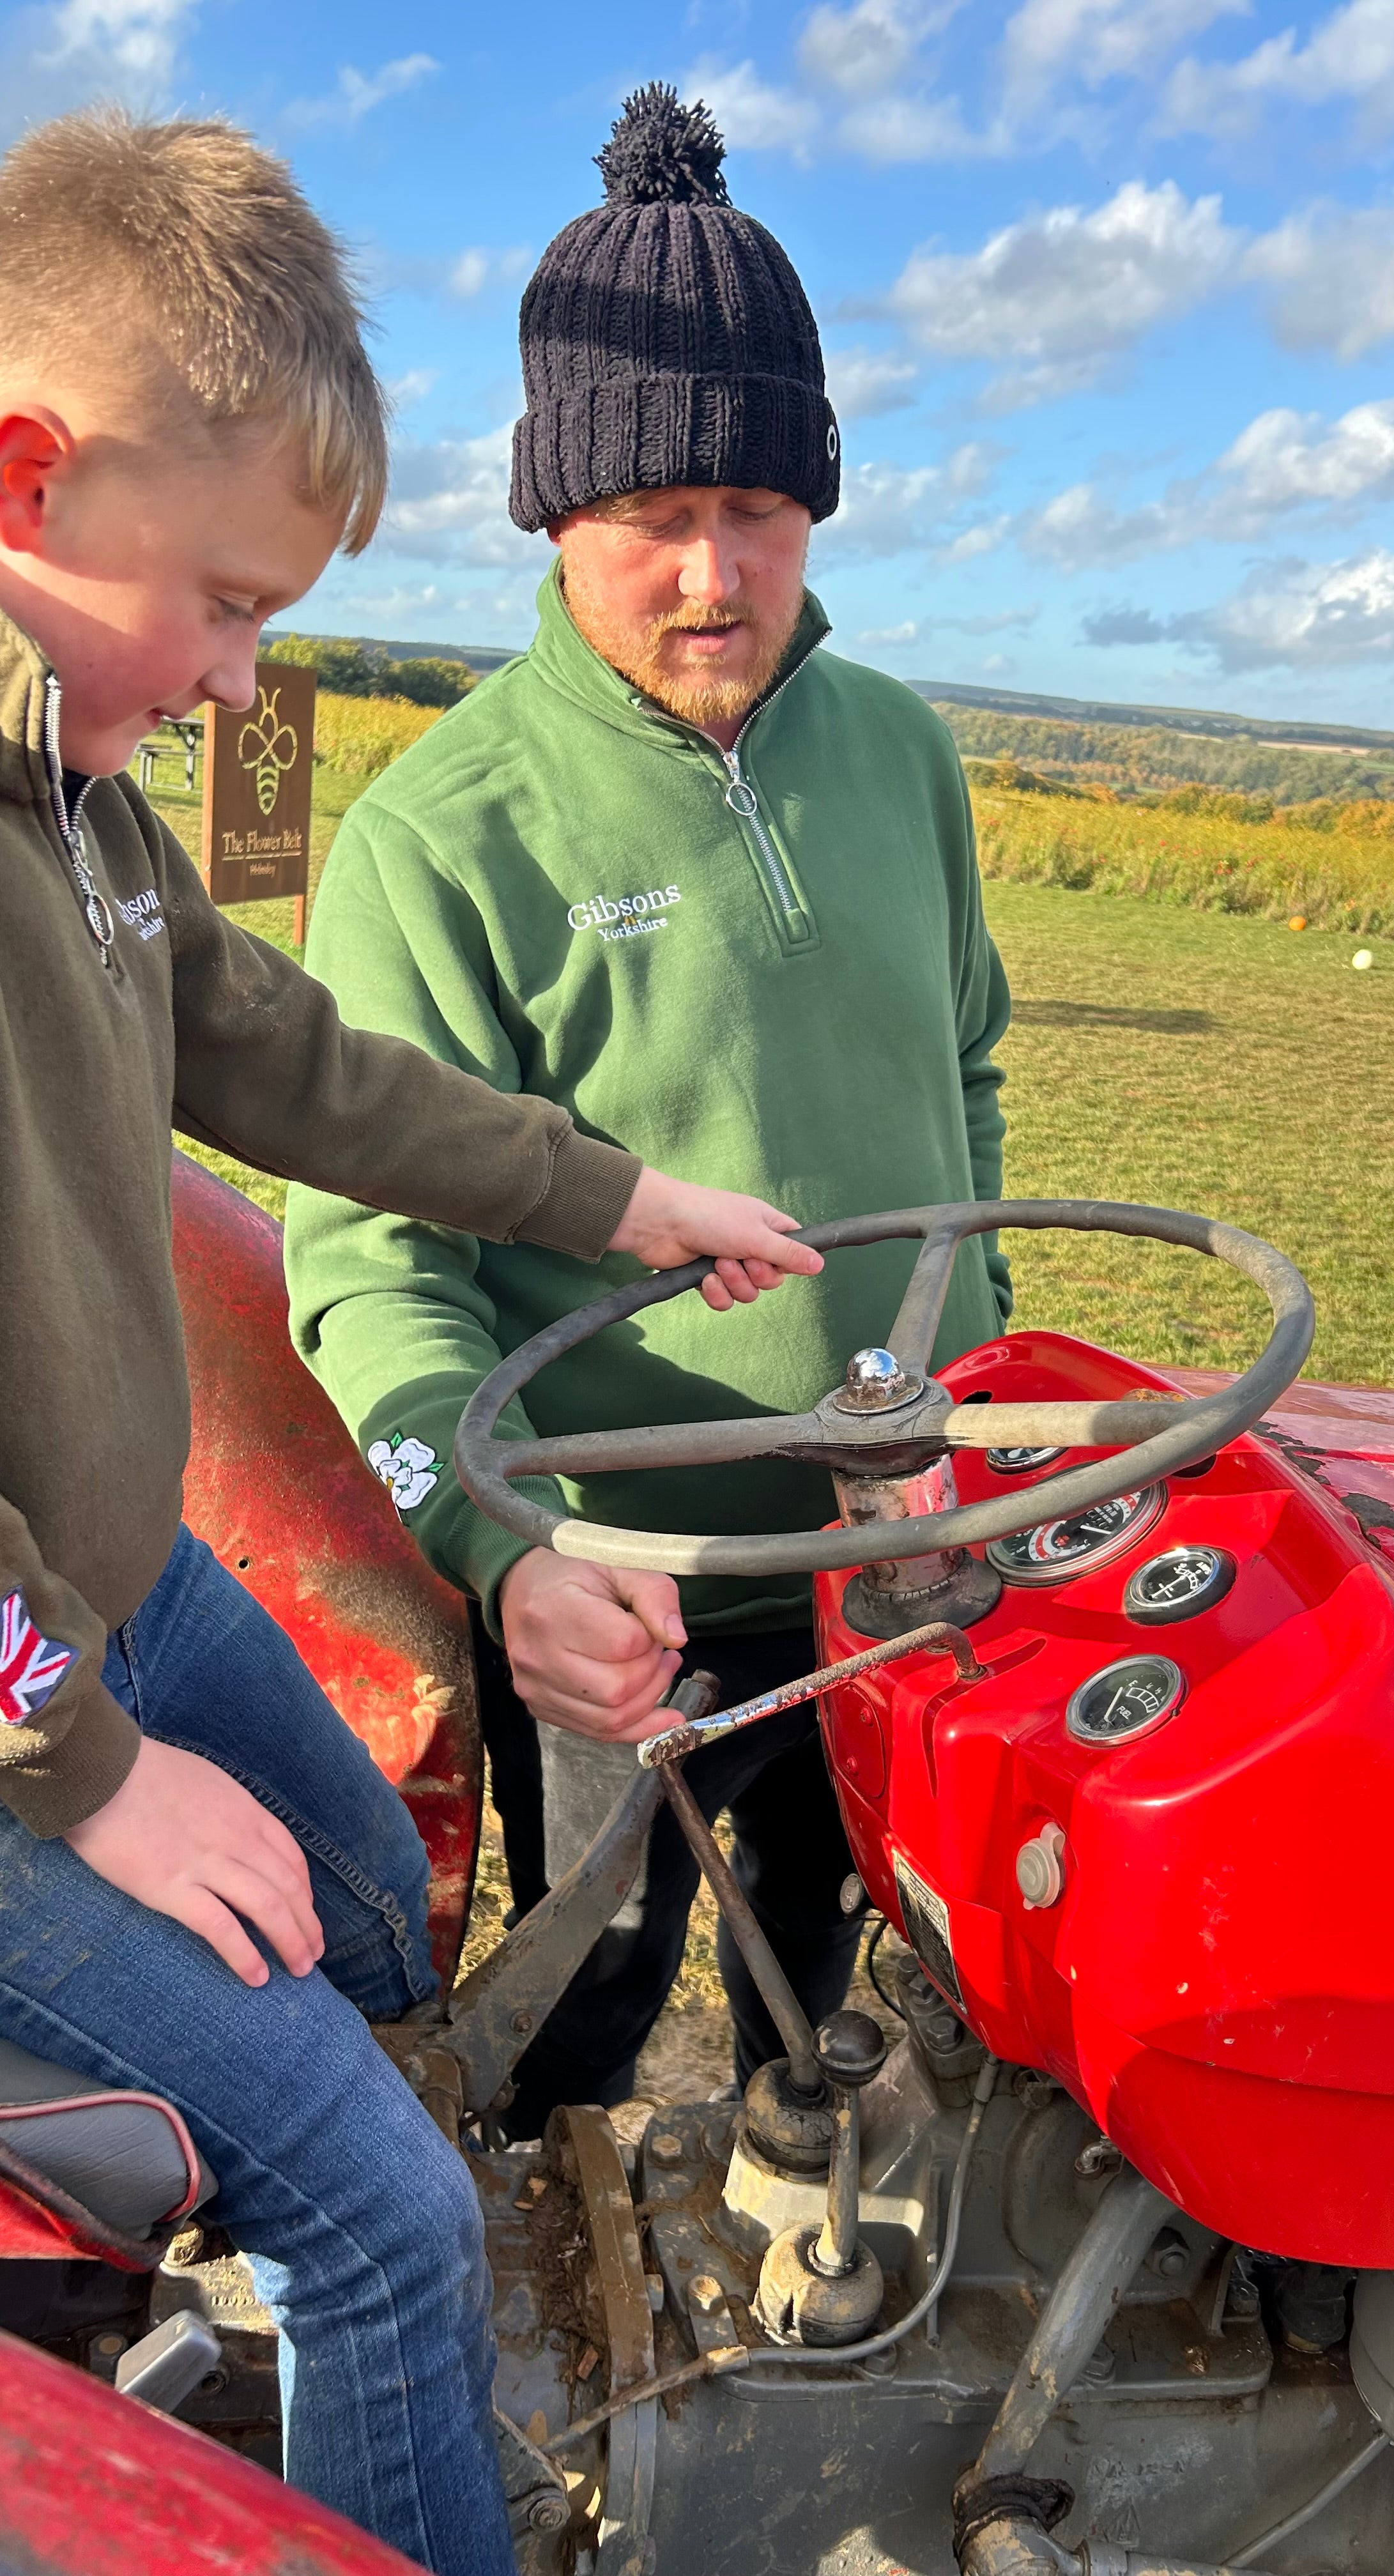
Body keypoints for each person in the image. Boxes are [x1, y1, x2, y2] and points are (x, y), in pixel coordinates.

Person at [0, 107, 824, 2576]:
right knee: (390, 2213)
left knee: (375, 1903)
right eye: (228, 603)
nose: (249, 674)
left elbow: (296, 1064)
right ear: (24, 468)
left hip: (116, 1584)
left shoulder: (75, 806)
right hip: (24, 1681)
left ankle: (279, 2317)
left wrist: (624, 1194)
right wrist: (74, 1763)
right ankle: (366, 2361)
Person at [287, 86, 1013, 2142]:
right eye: (652, 518)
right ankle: (533, 2282)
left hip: (908, 1540)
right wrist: (499, 1544)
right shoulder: (444, 835)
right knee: (586, 1986)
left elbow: (960, 1080)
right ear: (552, 516)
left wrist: (974, 1380)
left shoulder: (902, 760)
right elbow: (371, 1253)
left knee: (865, 1973)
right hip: (625, 1577)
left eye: (762, 512)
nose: (714, 573)